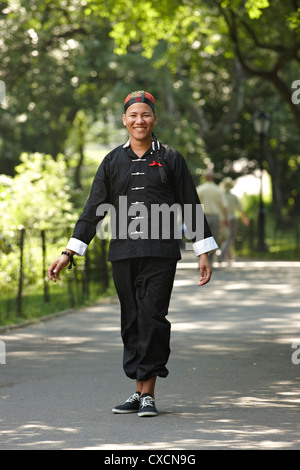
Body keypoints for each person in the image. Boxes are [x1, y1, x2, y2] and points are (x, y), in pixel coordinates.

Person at [48, 90, 218, 417]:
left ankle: (149, 394)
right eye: (133, 115)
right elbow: (93, 209)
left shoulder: (170, 158)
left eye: (146, 115)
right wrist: (69, 252)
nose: (139, 120)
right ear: (125, 120)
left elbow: (190, 205)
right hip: (123, 254)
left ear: (154, 119)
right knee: (131, 321)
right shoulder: (112, 161)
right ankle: (138, 392)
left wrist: (203, 252)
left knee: (152, 317)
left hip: (161, 253)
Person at [196, 169, 228, 261]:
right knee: (213, 240)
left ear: (205, 177)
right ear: (213, 177)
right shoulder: (218, 190)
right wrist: (225, 219)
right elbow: (224, 206)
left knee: (201, 240)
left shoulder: (200, 189)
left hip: (202, 217)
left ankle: (201, 260)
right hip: (215, 217)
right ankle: (210, 261)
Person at [219, 177, 249, 263]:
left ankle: (229, 256)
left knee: (225, 237)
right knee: (230, 238)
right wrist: (244, 219)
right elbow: (240, 209)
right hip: (232, 219)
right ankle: (222, 254)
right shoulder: (234, 197)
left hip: (223, 219)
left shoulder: (221, 196)